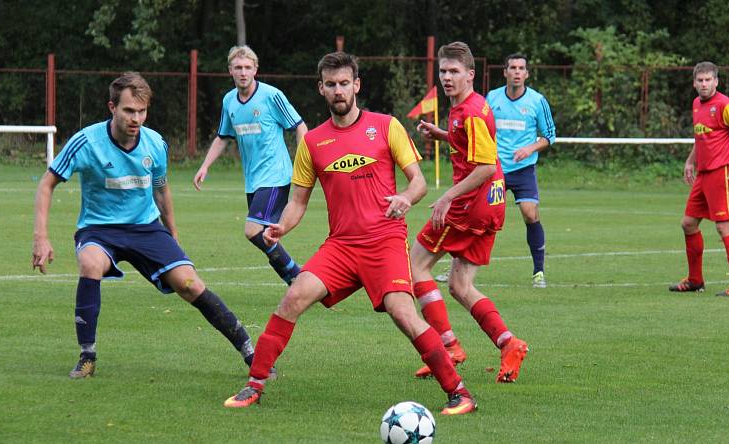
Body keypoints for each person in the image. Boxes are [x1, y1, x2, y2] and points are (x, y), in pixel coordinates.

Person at [223, 51, 478, 415]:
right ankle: (254, 385)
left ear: (356, 85)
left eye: (345, 83)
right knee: (294, 297)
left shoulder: (386, 126)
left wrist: (406, 198)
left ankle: (459, 392)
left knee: (403, 313)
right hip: (341, 246)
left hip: (384, 240)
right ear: (321, 89)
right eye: (331, 85)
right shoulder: (312, 143)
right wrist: (282, 226)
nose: (339, 90)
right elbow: (297, 202)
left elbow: (418, 182)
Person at [32, 72, 266, 379]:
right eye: (129, 110)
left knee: (189, 283)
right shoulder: (86, 142)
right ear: (112, 107)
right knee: (90, 263)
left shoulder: (155, 144)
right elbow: (47, 184)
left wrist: (174, 234)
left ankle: (250, 351)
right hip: (99, 230)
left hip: (146, 228)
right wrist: (41, 237)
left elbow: (161, 190)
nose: (136, 118)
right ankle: (87, 356)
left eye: (141, 111)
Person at [410, 42, 529, 383]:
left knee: (415, 267)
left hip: (469, 205)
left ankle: (448, 346)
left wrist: (447, 196)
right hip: (489, 204)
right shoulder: (468, 108)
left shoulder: (472, 111)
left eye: (454, 72)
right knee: (461, 285)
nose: (447, 78)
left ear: (470, 75)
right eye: (443, 72)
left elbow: (485, 166)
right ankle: (509, 343)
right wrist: (443, 135)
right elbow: (473, 146)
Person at [193, 45, 307, 285]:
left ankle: (295, 273)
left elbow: (299, 125)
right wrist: (205, 166)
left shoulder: (271, 95)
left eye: (247, 67)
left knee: (252, 230)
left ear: (255, 69)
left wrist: (302, 162)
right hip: (253, 180)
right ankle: (295, 278)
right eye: (238, 68)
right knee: (264, 234)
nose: (243, 72)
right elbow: (223, 136)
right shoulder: (229, 101)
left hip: (277, 176)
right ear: (230, 71)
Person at [669, 61, 729, 297]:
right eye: (700, 80)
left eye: (708, 80)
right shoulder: (696, 104)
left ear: (716, 81)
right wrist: (690, 161)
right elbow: (702, 137)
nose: (704, 84)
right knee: (688, 223)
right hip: (703, 175)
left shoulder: (727, 105)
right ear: (694, 83)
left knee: (723, 226)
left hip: (722, 173)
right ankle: (695, 280)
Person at [486, 53, 556, 288]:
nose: (517, 72)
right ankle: (455, 266)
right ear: (505, 72)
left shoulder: (537, 101)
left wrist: (530, 148)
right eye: (512, 67)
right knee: (481, 217)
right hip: (494, 169)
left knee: (530, 214)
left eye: (521, 68)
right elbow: (483, 129)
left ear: (526, 73)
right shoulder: (492, 98)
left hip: (523, 169)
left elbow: (550, 136)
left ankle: (539, 272)